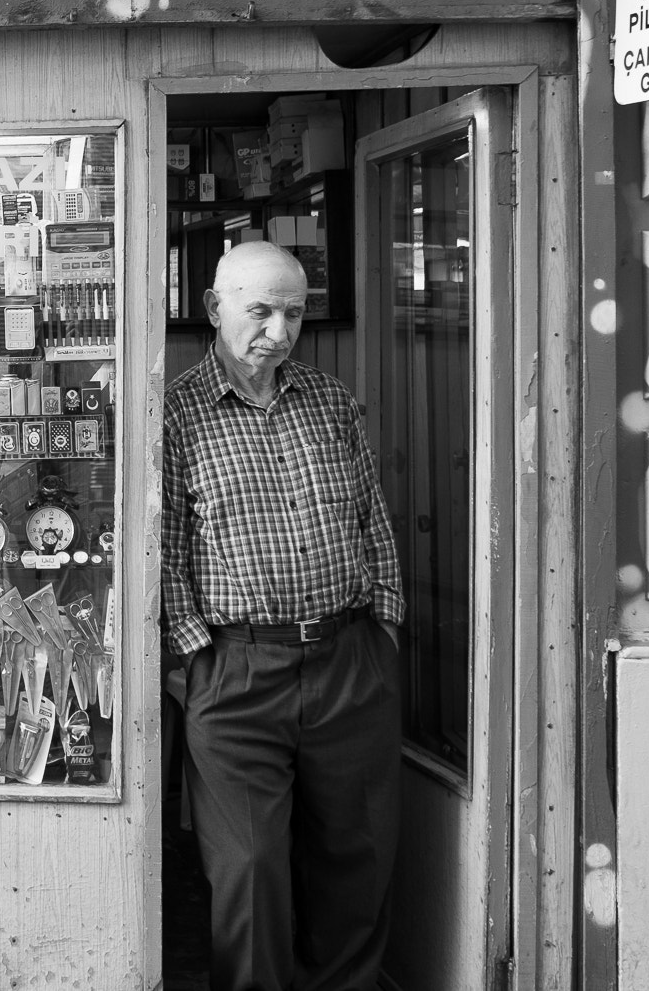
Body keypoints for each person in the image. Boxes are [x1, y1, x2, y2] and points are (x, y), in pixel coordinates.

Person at [161, 240, 404, 991]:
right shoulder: (176, 413)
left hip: (347, 657)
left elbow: (372, 516)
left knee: (355, 858)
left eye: (294, 311)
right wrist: (196, 658)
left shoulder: (330, 399)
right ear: (213, 308)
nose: (279, 327)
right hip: (237, 670)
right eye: (260, 309)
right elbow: (166, 547)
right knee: (250, 867)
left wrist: (385, 624)